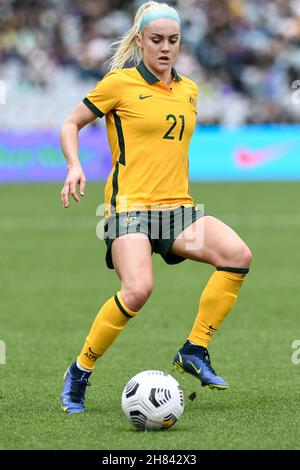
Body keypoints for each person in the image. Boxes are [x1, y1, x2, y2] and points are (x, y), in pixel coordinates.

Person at [60, 1, 252, 414]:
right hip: (129, 210)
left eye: (173, 40)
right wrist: (75, 165)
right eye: (156, 40)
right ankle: (80, 372)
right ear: (140, 41)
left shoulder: (190, 90)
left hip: (178, 210)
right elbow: (70, 123)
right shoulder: (118, 84)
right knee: (137, 290)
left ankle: (195, 348)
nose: (165, 48)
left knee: (238, 256)